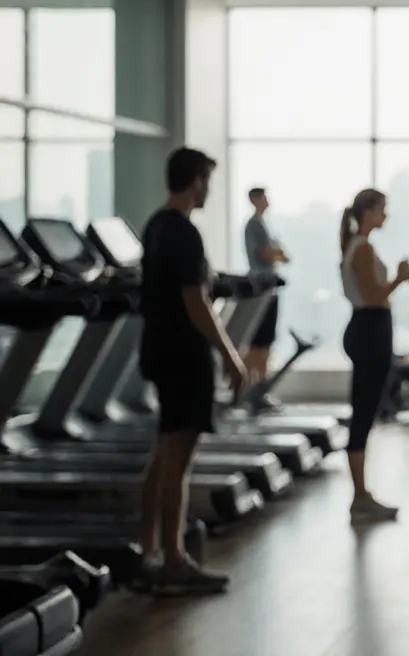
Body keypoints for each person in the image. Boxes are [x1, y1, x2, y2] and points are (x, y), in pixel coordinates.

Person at [136, 147, 245, 596]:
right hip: (184, 355)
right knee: (179, 458)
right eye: (208, 182)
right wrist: (230, 354)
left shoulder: (156, 226)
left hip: (161, 350)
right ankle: (175, 560)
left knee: (164, 454)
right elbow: (196, 302)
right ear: (196, 181)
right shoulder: (184, 232)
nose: (209, 191)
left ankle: (148, 551)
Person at [340, 188, 409, 524]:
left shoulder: (358, 244)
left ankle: (362, 495)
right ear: (369, 211)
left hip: (369, 329)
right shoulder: (363, 247)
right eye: (383, 209)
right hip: (369, 330)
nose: (386, 215)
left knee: (366, 411)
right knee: (363, 413)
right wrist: (400, 279)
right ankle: (359, 498)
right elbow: (372, 295)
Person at [243, 187, 289, 390]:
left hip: (270, 289)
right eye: (263, 197)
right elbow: (267, 253)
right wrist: (277, 253)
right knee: (258, 342)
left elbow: (281, 255)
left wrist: (277, 253)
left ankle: (259, 387)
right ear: (254, 200)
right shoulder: (254, 225)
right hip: (261, 289)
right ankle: (253, 386)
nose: (267, 200)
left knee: (266, 341)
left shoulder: (264, 225)